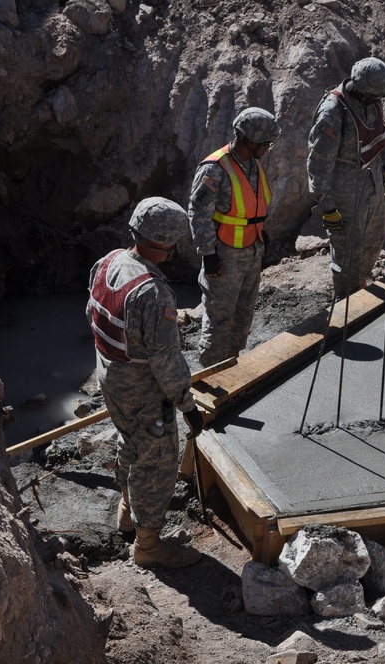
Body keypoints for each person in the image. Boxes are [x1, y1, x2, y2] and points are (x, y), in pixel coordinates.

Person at [87, 197, 206, 569]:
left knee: (131, 440)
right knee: (157, 460)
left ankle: (127, 510)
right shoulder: (153, 293)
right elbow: (166, 360)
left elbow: (93, 314)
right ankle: (149, 547)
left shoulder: (108, 263)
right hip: (141, 387)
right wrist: (187, 405)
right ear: (167, 245)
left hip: (111, 377)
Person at [188, 107, 281, 369]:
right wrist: (208, 254)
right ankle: (210, 376)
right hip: (225, 256)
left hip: (252, 250)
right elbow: (198, 213)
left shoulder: (254, 163)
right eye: (265, 144)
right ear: (249, 140)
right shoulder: (214, 169)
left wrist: (262, 234)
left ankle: (231, 368)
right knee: (219, 321)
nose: (267, 148)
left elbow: (253, 203)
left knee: (242, 318)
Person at [307, 56, 385, 299]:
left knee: (374, 237)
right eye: (375, 97)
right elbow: (318, 162)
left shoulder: (372, 101)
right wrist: (326, 205)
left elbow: (381, 133)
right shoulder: (333, 112)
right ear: (362, 90)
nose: (378, 101)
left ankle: (362, 284)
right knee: (348, 250)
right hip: (345, 190)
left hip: (373, 181)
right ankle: (346, 299)